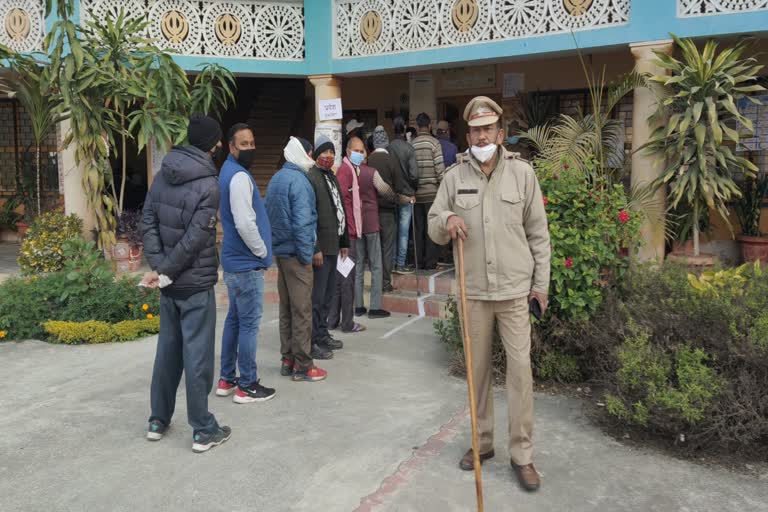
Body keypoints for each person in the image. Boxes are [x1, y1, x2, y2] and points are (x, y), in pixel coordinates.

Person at [428, 96, 551, 492]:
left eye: (488, 128)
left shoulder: (523, 174)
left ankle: (523, 455)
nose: (482, 135)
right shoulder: (453, 176)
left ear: (501, 133)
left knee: (520, 375)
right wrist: (447, 218)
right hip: (475, 292)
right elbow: (432, 220)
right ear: (468, 134)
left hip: (515, 291)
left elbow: (538, 234)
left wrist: (541, 285)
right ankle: (482, 445)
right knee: (476, 375)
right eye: (475, 129)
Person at [141, 114, 230, 453]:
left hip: (170, 284)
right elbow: (195, 240)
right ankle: (203, 429)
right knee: (197, 357)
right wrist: (167, 269)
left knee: (167, 353)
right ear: (211, 144)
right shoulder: (209, 183)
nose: (220, 145)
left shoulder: (162, 174)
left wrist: (160, 268)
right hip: (194, 285)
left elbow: (147, 220)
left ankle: (157, 420)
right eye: (218, 140)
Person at [215, 123, 276, 404]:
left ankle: (227, 379)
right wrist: (262, 251)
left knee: (235, 321)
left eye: (252, 143)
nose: (250, 148)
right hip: (245, 263)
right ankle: (247, 385)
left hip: (233, 261)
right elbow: (244, 222)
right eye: (244, 144)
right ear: (231, 147)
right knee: (249, 325)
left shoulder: (228, 172)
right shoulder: (239, 177)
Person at [266, 136, 327, 382]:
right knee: (302, 311)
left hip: (280, 253)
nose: (312, 158)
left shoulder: (276, 178)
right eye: (310, 153)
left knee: (286, 309)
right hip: (297, 255)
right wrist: (307, 255)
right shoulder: (300, 182)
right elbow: (303, 224)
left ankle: (287, 358)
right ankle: (303, 365)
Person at [337, 136, 406, 323]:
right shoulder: (371, 172)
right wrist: (401, 199)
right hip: (372, 223)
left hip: (356, 225)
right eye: (358, 151)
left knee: (358, 265)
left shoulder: (348, 172)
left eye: (361, 151)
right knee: (376, 265)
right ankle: (375, 307)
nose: (360, 154)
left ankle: (358, 306)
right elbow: (385, 191)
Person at [306, 135, 349, 358]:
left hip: (335, 245)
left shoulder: (331, 177)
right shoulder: (311, 178)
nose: (329, 156)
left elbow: (340, 211)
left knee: (329, 295)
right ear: (316, 155)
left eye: (332, 152)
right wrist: (315, 248)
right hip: (321, 249)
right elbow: (310, 217)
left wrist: (344, 242)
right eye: (325, 152)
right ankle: (313, 340)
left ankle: (323, 334)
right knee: (318, 296)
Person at [368, 125, 409, 292]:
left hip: (369, 212)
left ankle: (375, 282)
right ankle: (385, 283)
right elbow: (399, 186)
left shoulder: (368, 161)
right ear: (386, 142)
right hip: (387, 212)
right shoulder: (391, 160)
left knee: (373, 249)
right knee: (387, 248)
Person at [412, 112, 445, 271]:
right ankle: (430, 262)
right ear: (430, 125)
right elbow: (440, 170)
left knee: (418, 229)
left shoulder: (412, 144)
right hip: (432, 194)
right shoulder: (435, 143)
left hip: (417, 194)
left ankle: (418, 261)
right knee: (431, 229)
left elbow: (410, 171)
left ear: (417, 127)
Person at [387, 116, 419, 274]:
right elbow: (414, 175)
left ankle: (392, 263)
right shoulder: (409, 148)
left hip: (391, 195)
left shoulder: (387, 148)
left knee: (393, 230)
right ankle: (400, 264)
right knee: (404, 231)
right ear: (405, 127)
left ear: (393, 128)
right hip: (407, 195)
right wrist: (414, 190)